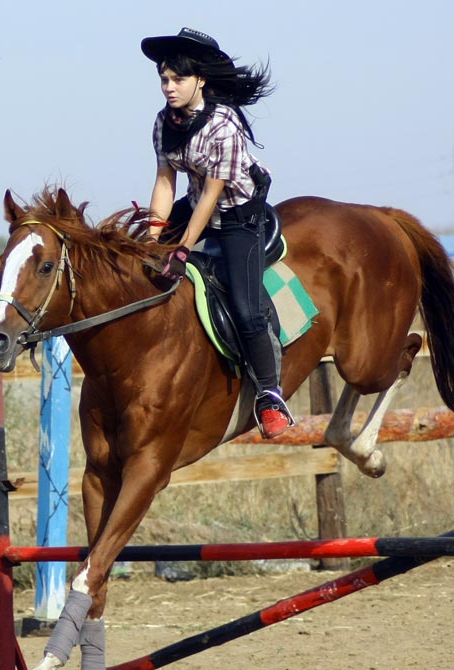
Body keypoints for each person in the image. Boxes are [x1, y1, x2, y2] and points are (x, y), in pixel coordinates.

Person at [142, 27, 293, 439]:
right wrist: (155, 239)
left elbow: (212, 195)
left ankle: (269, 395)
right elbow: (164, 182)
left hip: (238, 215)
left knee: (246, 310)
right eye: (164, 80)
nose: (168, 88)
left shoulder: (224, 125)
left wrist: (183, 249)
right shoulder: (162, 122)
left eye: (178, 80)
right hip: (196, 207)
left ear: (200, 81)